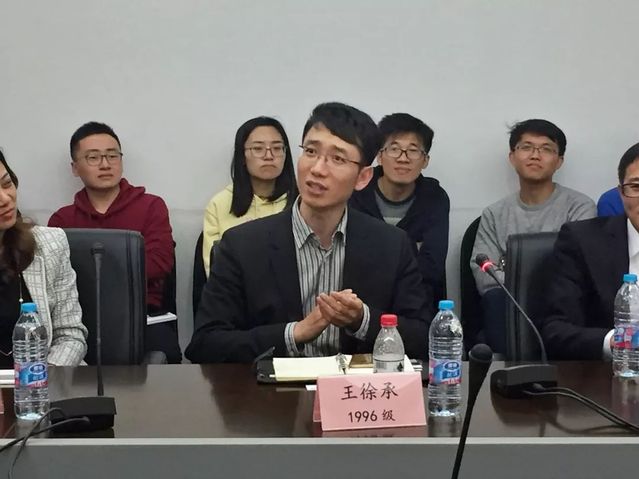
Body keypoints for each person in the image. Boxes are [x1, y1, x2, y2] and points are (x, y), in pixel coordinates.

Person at [185, 102, 433, 363]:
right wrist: (293, 334)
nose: (317, 169)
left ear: (362, 177)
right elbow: (205, 344)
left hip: (356, 387)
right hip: (270, 387)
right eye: (311, 151)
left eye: (337, 158)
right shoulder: (242, 245)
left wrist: (362, 319)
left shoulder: (392, 245)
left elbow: (422, 338)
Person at [48, 122, 181, 363]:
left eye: (112, 155)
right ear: (75, 168)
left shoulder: (151, 206)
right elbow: (55, 279)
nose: (105, 164)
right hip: (80, 319)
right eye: (93, 157)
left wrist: (91, 275)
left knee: (161, 359)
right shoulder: (62, 220)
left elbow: (160, 263)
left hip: (142, 317)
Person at [470, 119, 596, 353]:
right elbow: (485, 276)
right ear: (512, 157)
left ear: (559, 161)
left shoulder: (580, 207)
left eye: (546, 149)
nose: (535, 155)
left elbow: (580, 271)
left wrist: (511, 272)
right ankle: (511, 372)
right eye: (526, 147)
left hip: (563, 305)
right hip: (509, 307)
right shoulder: (494, 214)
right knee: (495, 300)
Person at [539, 142, 639, 360]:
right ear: (621, 193)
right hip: (608, 375)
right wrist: (621, 342)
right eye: (636, 187)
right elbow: (556, 331)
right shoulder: (582, 241)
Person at [350, 113, 449, 306]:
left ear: (425, 160)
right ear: (379, 156)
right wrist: (412, 248)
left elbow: (432, 266)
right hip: (362, 302)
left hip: (417, 302)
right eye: (394, 149)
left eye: (413, 151)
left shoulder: (435, 198)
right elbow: (353, 263)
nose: (403, 158)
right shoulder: (357, 192)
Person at [0, 150, 87, 367]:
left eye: (6, 184)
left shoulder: (50, 244)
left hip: (42, 380)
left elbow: (70, 335)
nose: (5, 199)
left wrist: (40, 379)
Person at [202, 116, 297, 277]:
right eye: (258, 148)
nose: (269, 156)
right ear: (242, 156)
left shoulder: (302, 202)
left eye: (277, 148)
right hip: (236, 290)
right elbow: (216, 270)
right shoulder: (220, 204)